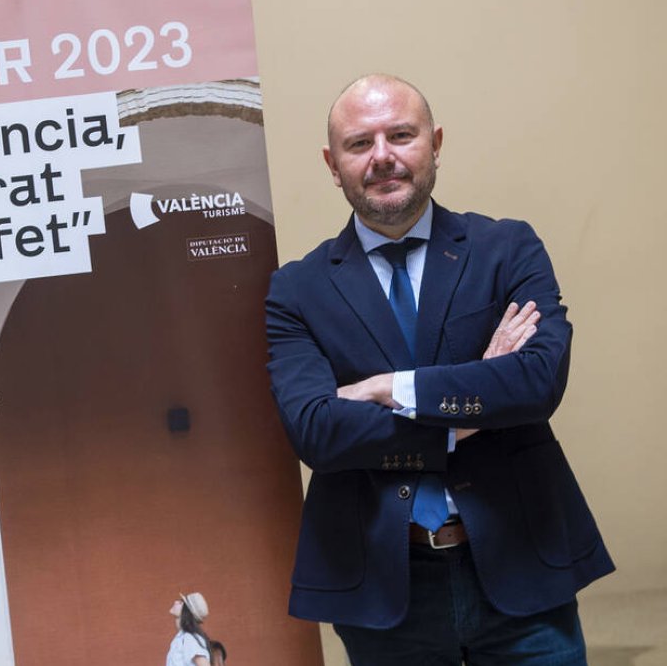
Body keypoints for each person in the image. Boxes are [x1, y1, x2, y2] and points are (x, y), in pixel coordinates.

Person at [264, 74, 613, 663]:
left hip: (520, 561)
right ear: (332, 162)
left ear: (435, 142)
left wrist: (389, 390)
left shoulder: (507, 248)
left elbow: (536, 382)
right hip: (383, 585)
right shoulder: (296, 289)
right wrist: (472, 405)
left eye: (401, 135)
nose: (382, 157)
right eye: (359, 143)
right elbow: (317, 432)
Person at [166, 592, 211, 666]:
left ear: (186, 611)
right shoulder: (183, 637)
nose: (176, 602)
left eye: (181, 602)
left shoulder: (189, 638)